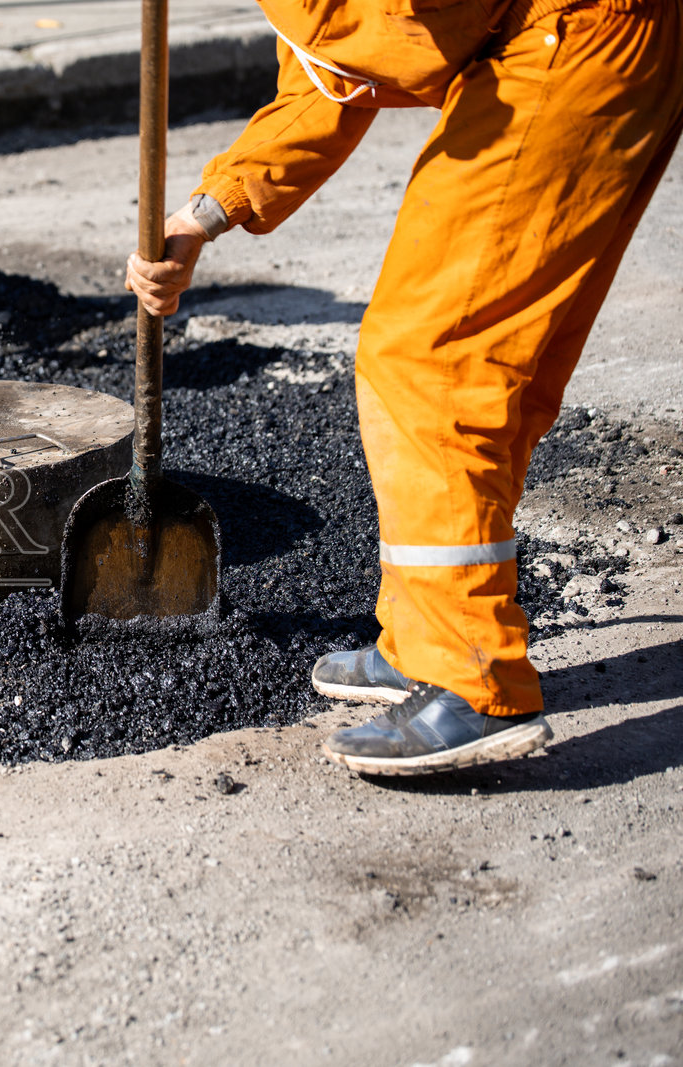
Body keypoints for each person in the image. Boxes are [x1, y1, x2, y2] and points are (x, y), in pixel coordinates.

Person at [126, 0, 681, 774]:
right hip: (531, 48)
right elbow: (328, 78)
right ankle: (424, 638)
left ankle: (472, 677)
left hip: (573, 33)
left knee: (434, 356)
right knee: (470, 355)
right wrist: (203, 215)